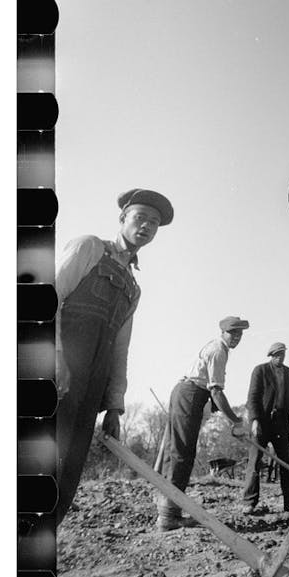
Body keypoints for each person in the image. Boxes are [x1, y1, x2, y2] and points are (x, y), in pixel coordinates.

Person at [54, 189, 173, 525]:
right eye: (141, 217)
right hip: (56, 371)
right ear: (122, 219)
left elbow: (121, 349)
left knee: (68, 472)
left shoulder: (134, 288)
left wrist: (115, 405)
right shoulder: (89, 248)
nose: (147, 226)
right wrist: (57, 358)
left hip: (90, 386)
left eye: (154, 223)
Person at [155, 316, 247, 530]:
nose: (236, 338)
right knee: (181, 454)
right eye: (233, 333)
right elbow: (215, 391)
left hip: (190, 394)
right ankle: (168, 517)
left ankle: (168, 512)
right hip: (189, 395)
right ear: (223, 333)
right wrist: (235, 420)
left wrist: (216, 406)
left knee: (178, 452)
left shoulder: (218, 348)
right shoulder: (219, 351)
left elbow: (210, 388)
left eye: (240, 334)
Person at [242, 343, 289, 514]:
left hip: (281, 422)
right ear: (271, 355)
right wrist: (255, 420)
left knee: (287, 462)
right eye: (277, 354)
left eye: (283, 354)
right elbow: (253, 397)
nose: (281, 357)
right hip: (262, 422)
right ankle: (249, 502)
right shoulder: (260, 370)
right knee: (255, 461)